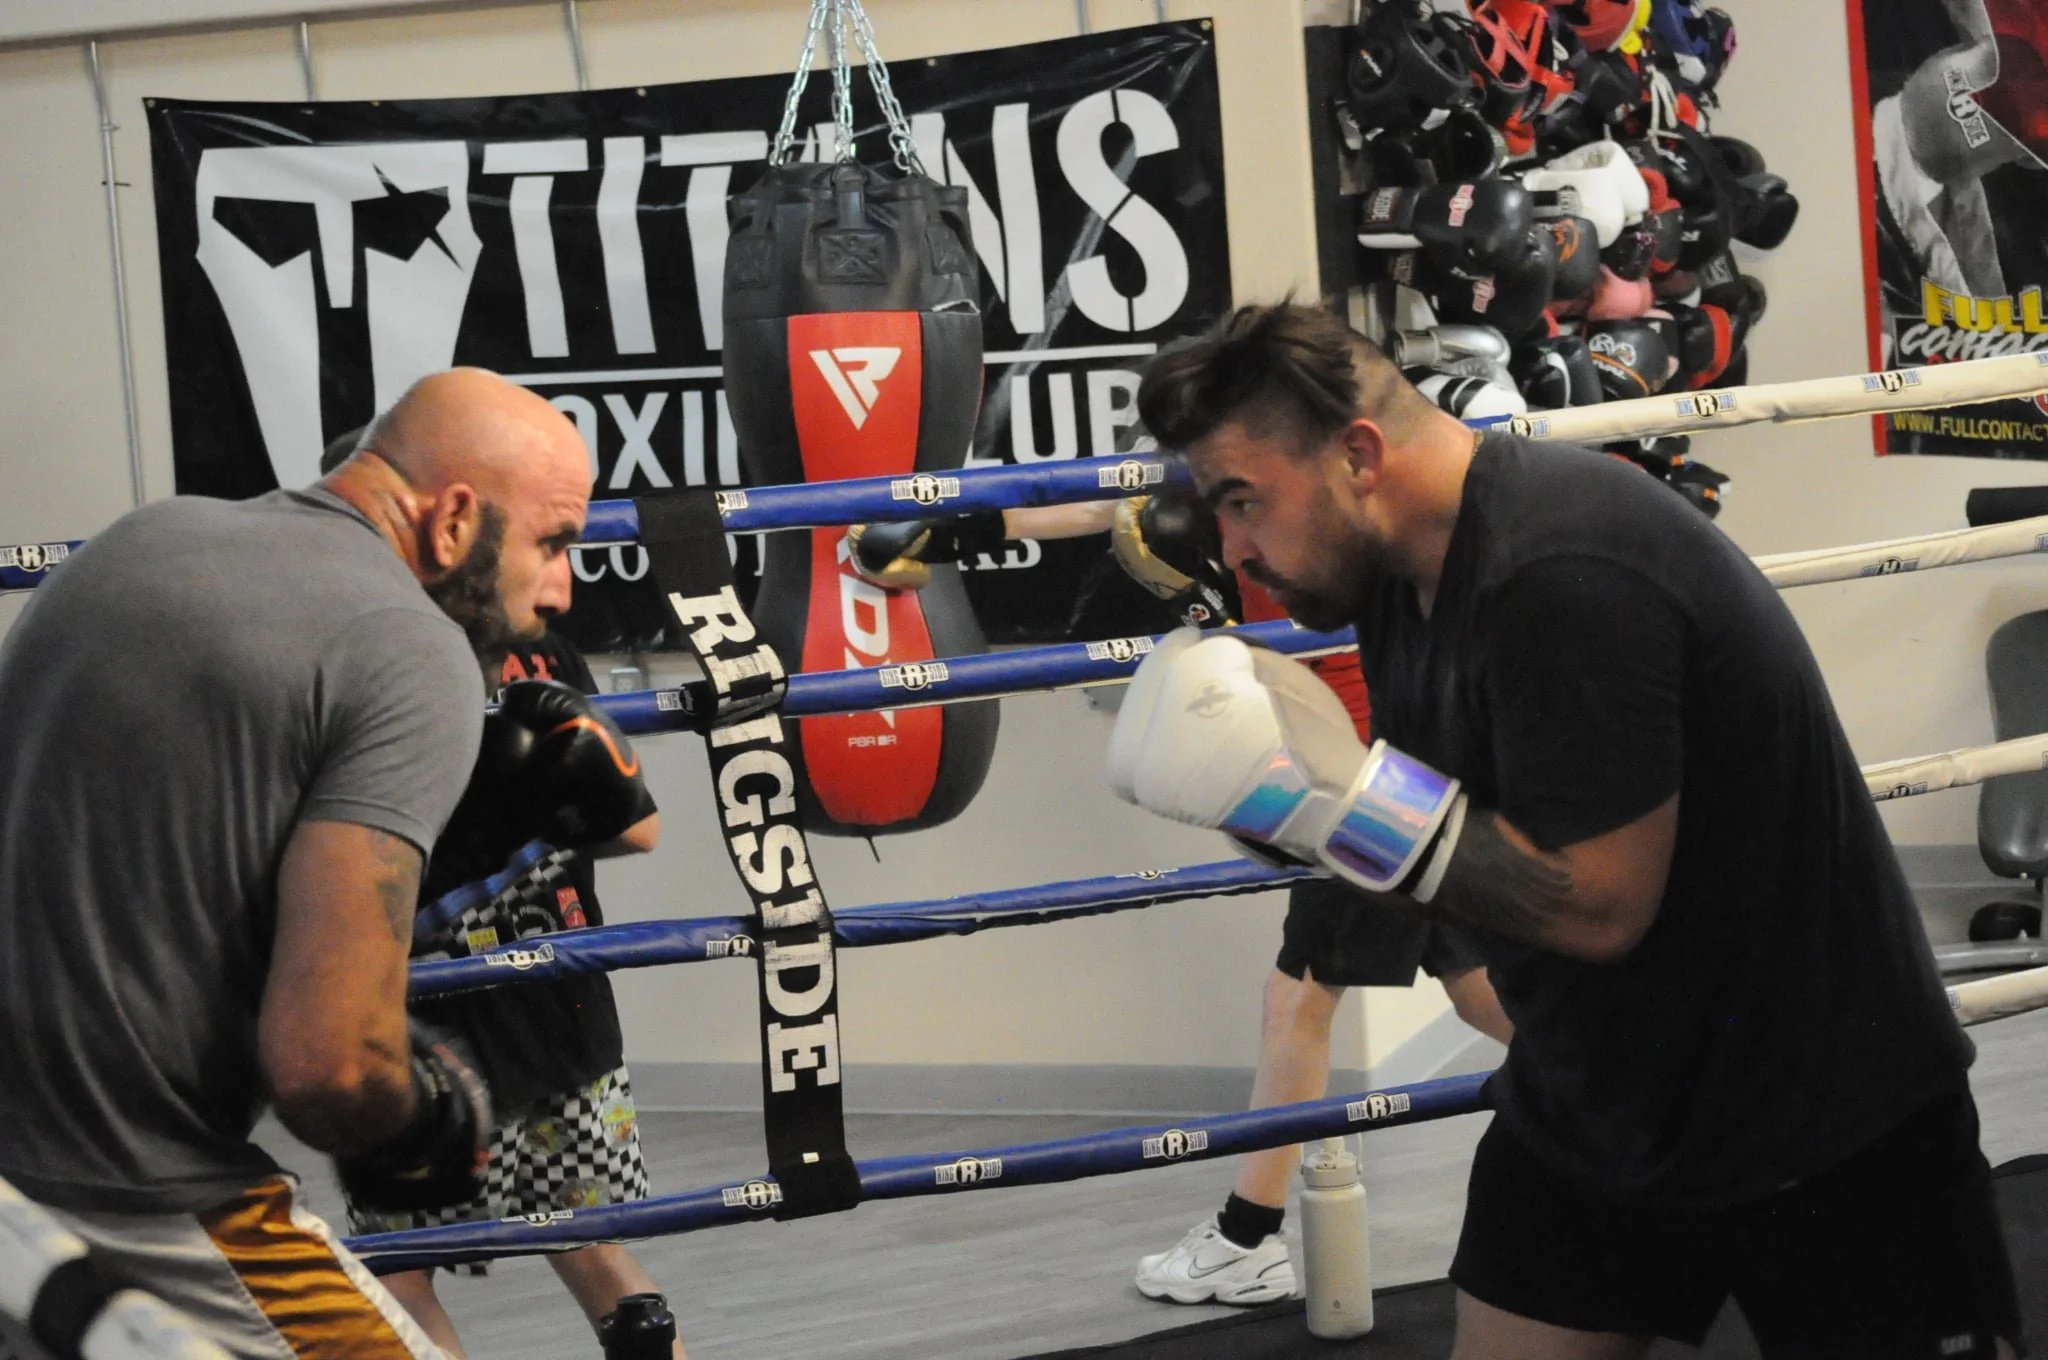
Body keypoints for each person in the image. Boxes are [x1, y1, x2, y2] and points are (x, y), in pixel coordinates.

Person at [1110, 300, 2019, 1358]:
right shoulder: (1403, 577)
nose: (1231, 548)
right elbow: (1449, 833)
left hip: (1821, 1112)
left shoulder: (1560, 571)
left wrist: (1327, 806)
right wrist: (1288, 810)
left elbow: (1596, 907)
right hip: (1594, 1099)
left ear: (1356, 453)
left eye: (1241, 502)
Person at [0, 368, 595, 1359]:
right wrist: (422, 1109)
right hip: (129, 1194)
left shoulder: (143, 536)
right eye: (553, 543)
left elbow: (161, 865)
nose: (560, 590)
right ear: (450, 521)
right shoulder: (408, 647)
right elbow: (326, 1065)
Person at [846, 491, 1513, 1308]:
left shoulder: (1312, 496)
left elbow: (1143, 509)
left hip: (1357, 775)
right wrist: (964, 529)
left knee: (1297, 1003)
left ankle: (1246, 1238)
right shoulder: (1252, 477)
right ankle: (1645, 1095)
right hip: (1381, 756)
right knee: (1474, 985)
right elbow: (1115, 502)